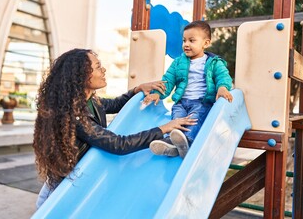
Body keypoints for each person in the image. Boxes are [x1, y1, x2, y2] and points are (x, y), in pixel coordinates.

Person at [33, 48, 197, 208]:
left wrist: (136, 90)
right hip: (58, 192)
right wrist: (163, 128)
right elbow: (118, 144)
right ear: (81, 75)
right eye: (97, 67)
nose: (103, 70)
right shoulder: (74, 114)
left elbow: (113, 104)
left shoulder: (90, 101)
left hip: (72, 184)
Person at [143, 20, 233, 158]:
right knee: (177, 121)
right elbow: (168, 80)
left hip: (201, 102)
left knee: (193, 120)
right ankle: (173, 143)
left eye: (192, 40)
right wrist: (157, 94)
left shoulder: (214, 62)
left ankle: (188, 141)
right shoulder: (178, 62)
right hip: (181, 102)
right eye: (184, 40)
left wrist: (222, 88)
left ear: (206, 43)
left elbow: (223, 77)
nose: (186, 44)